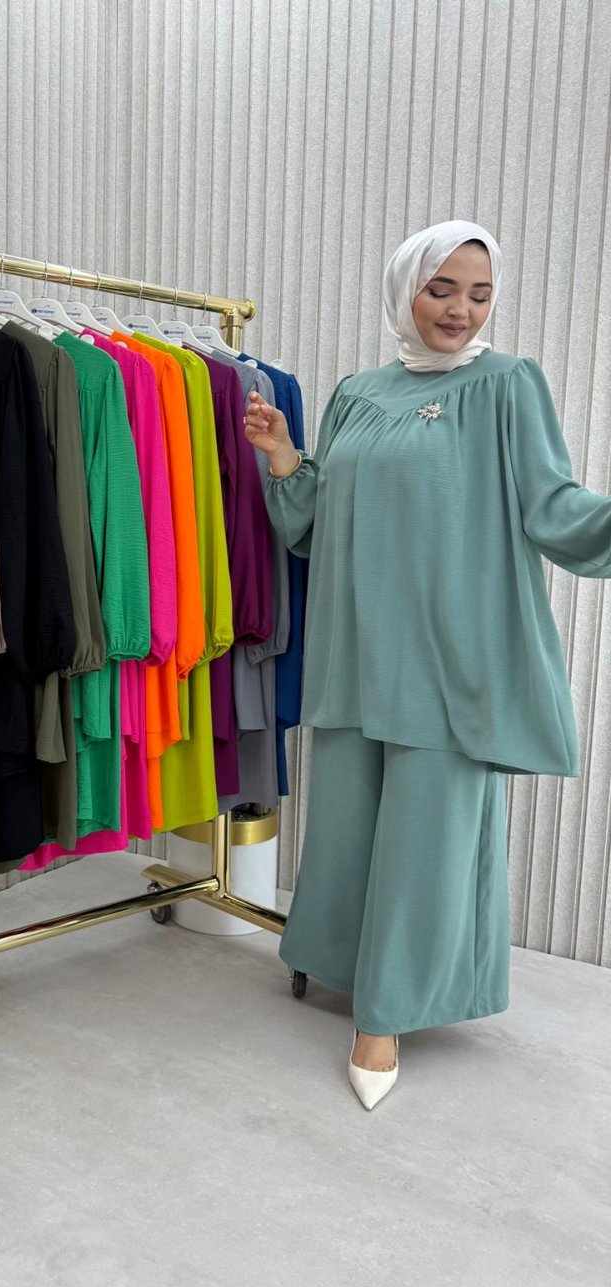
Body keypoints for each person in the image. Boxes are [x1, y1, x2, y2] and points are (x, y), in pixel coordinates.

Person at [244, 220, 611, 1110]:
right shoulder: (357, 393)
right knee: (344, 831)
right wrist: (286, 458)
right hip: (356, 652)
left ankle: (386, 1013)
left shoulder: (507, 385)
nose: (460, 310)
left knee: (427, 847)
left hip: (451, 662)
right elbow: (318, 521)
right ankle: (333, 959)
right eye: (441, 288)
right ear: (404, 288)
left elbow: (554, 506)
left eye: (479, 294)